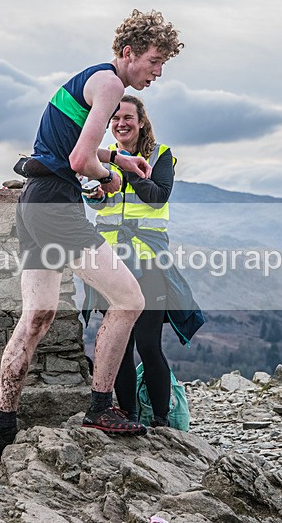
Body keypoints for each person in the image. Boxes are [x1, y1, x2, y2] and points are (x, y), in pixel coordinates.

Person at [0, 10, 183, 459]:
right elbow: (78, 160)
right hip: (57, 203)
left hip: (34, 202)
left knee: (37, 315)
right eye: (155, 61)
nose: (158, 72)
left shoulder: (88, 81)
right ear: (129, 53)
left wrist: (117, 158)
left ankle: (2, 431)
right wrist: (107, 175)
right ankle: (99, 406)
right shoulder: (112, 85)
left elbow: (73, 145)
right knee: (130, 299)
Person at [83, 95, 192, 427]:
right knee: (121, 345)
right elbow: (104, 207)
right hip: (111, 262)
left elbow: (157, 196)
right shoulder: (103, 158)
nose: (121, 123)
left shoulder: (161, 155)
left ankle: (160, 421)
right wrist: (97, 195)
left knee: (148, 343)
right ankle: (128, 415)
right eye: (115, 119)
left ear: (142, 121)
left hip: (149, 263)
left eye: (128, 117)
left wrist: (126, 168)